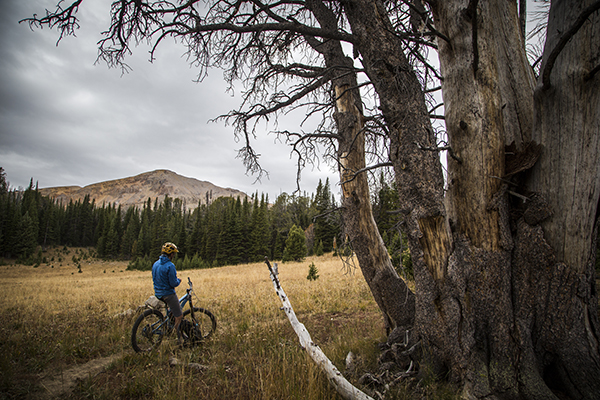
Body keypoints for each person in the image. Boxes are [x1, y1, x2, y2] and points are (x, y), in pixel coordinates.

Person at [152, 242, 184, 345]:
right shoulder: (170, 266)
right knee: (179, 316)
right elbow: (173, 283)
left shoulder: (156, 264)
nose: (173, 256)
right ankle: (178, 338)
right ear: (170, 254)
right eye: (173, 254)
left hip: (158, 293)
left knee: (170, 311)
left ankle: (168, 325)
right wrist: (179, 280)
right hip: (168, 294)